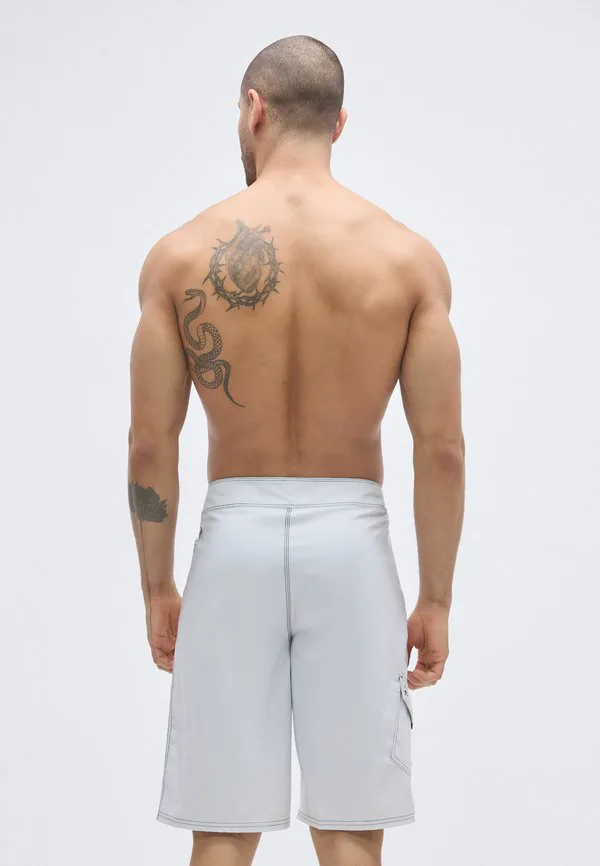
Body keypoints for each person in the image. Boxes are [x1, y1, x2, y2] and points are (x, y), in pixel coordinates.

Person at [128, 34, 465, 866]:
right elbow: (442, 449)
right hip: (351, 544)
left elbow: (149, 445)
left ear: (255, 109)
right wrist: (435, 598)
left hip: (233, 541)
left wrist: (158, 586)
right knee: (349, 830)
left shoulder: (180, 257)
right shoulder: (407, 260)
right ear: (339, 123)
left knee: (223, 829)